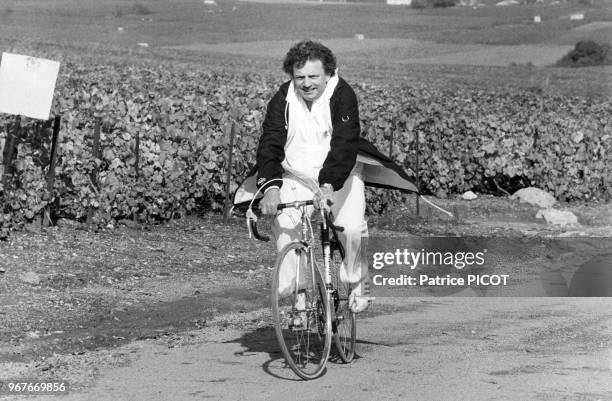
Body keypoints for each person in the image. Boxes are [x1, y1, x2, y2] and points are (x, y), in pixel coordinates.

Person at [233, 40, 419, 313]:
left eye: (313, 76)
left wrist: (329, 185)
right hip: (295, 175)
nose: (306, 84)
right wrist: (271, 188)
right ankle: (300, 295)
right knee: (285, 228)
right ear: (291, 76)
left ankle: (358, 278)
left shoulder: (342, 94)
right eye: (299, 78)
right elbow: (270, 143)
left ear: (328, 73)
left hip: (340, 174)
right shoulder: (282, 99)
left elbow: (345, 144)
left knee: (351, 227)